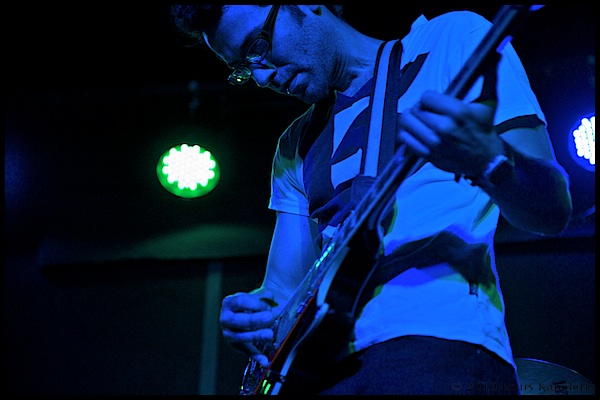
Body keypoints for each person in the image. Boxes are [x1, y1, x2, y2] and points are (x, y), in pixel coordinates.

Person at [170, 5, 573, 395]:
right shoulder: (294, 146)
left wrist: (491, 162)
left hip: (433, 344)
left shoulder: (452, 39)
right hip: (320, 375)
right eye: (242, 67)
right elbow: (281, 290)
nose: (260, 76)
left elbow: (553, 210)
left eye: (257, 46)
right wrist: (254, 315)